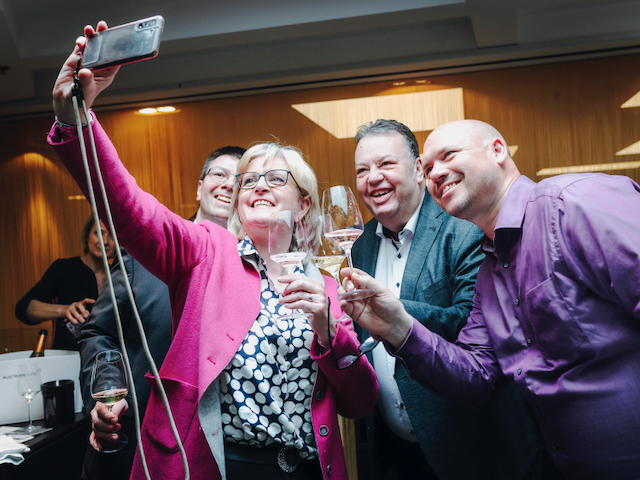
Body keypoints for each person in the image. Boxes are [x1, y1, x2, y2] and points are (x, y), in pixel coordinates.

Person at [49, 21, 378, 480]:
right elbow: (130, 209)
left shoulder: (327, 286)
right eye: (248, 180)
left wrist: (328, 330)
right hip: (219, 467)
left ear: (304, 204)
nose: (258, 186)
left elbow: (359, 402)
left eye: (276, 178)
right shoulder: (208, 251)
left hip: (305, 470)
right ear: (238, 202)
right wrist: (75, 118)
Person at [340, 119, 640, 479]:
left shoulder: (572, 202)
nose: (437, 173)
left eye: (449, 155)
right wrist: (398, 327)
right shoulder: (491, 272)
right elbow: (477, 375)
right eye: (430, 167)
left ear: (497, 150)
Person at [351, 119, 544, 480]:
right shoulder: (359, 244)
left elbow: (473, 321)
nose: (373, 178)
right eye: (362, 170)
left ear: (418, 171)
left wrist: (394, 312)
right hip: (398, 453)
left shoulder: (465, 223)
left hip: (475, 448)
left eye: (386, 164)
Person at [78, 145, 245, 480]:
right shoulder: (145, 253)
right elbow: (99, 332)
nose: (229, 184)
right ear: (199, 188)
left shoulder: (255, 272)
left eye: (240, 180)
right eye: (219, 174)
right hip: (136, 440)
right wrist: (108, 396)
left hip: (222, 453)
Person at [15, 215, 115, 350]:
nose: (104, 241)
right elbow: (24, 308)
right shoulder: (63, 268)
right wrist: (64, 310)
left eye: (112, 236)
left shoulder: (119, 275)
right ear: (87, 236)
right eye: (98, 233)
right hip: (67, 357)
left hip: (107, 357)